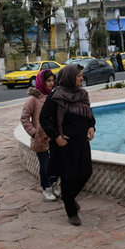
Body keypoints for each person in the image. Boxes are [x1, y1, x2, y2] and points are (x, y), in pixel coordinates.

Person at [39, 63, 95, 226]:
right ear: (70, 77)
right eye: (78, 76)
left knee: (86, 172)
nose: (81, 78)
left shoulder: (82, 94)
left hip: (82, 142)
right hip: (65, 144)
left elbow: (89, 113)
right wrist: (56, 136)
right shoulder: (56, 96)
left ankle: (68, 196)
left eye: (81, 75)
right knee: (69, 176)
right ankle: (71, 211)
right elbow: (44, 118)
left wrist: (91, 125)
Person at [20, 69, 59, 201]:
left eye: (53, 80)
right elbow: (24, 118)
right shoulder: (33, 99)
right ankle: (46, 188)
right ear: (42, 82)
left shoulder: (53, 96)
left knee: (55, 163)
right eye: (48, 81)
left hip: (54, 137)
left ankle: (54, 184)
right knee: (45, 164)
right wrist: (34, 133)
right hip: (41, 139)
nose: (51, 83)